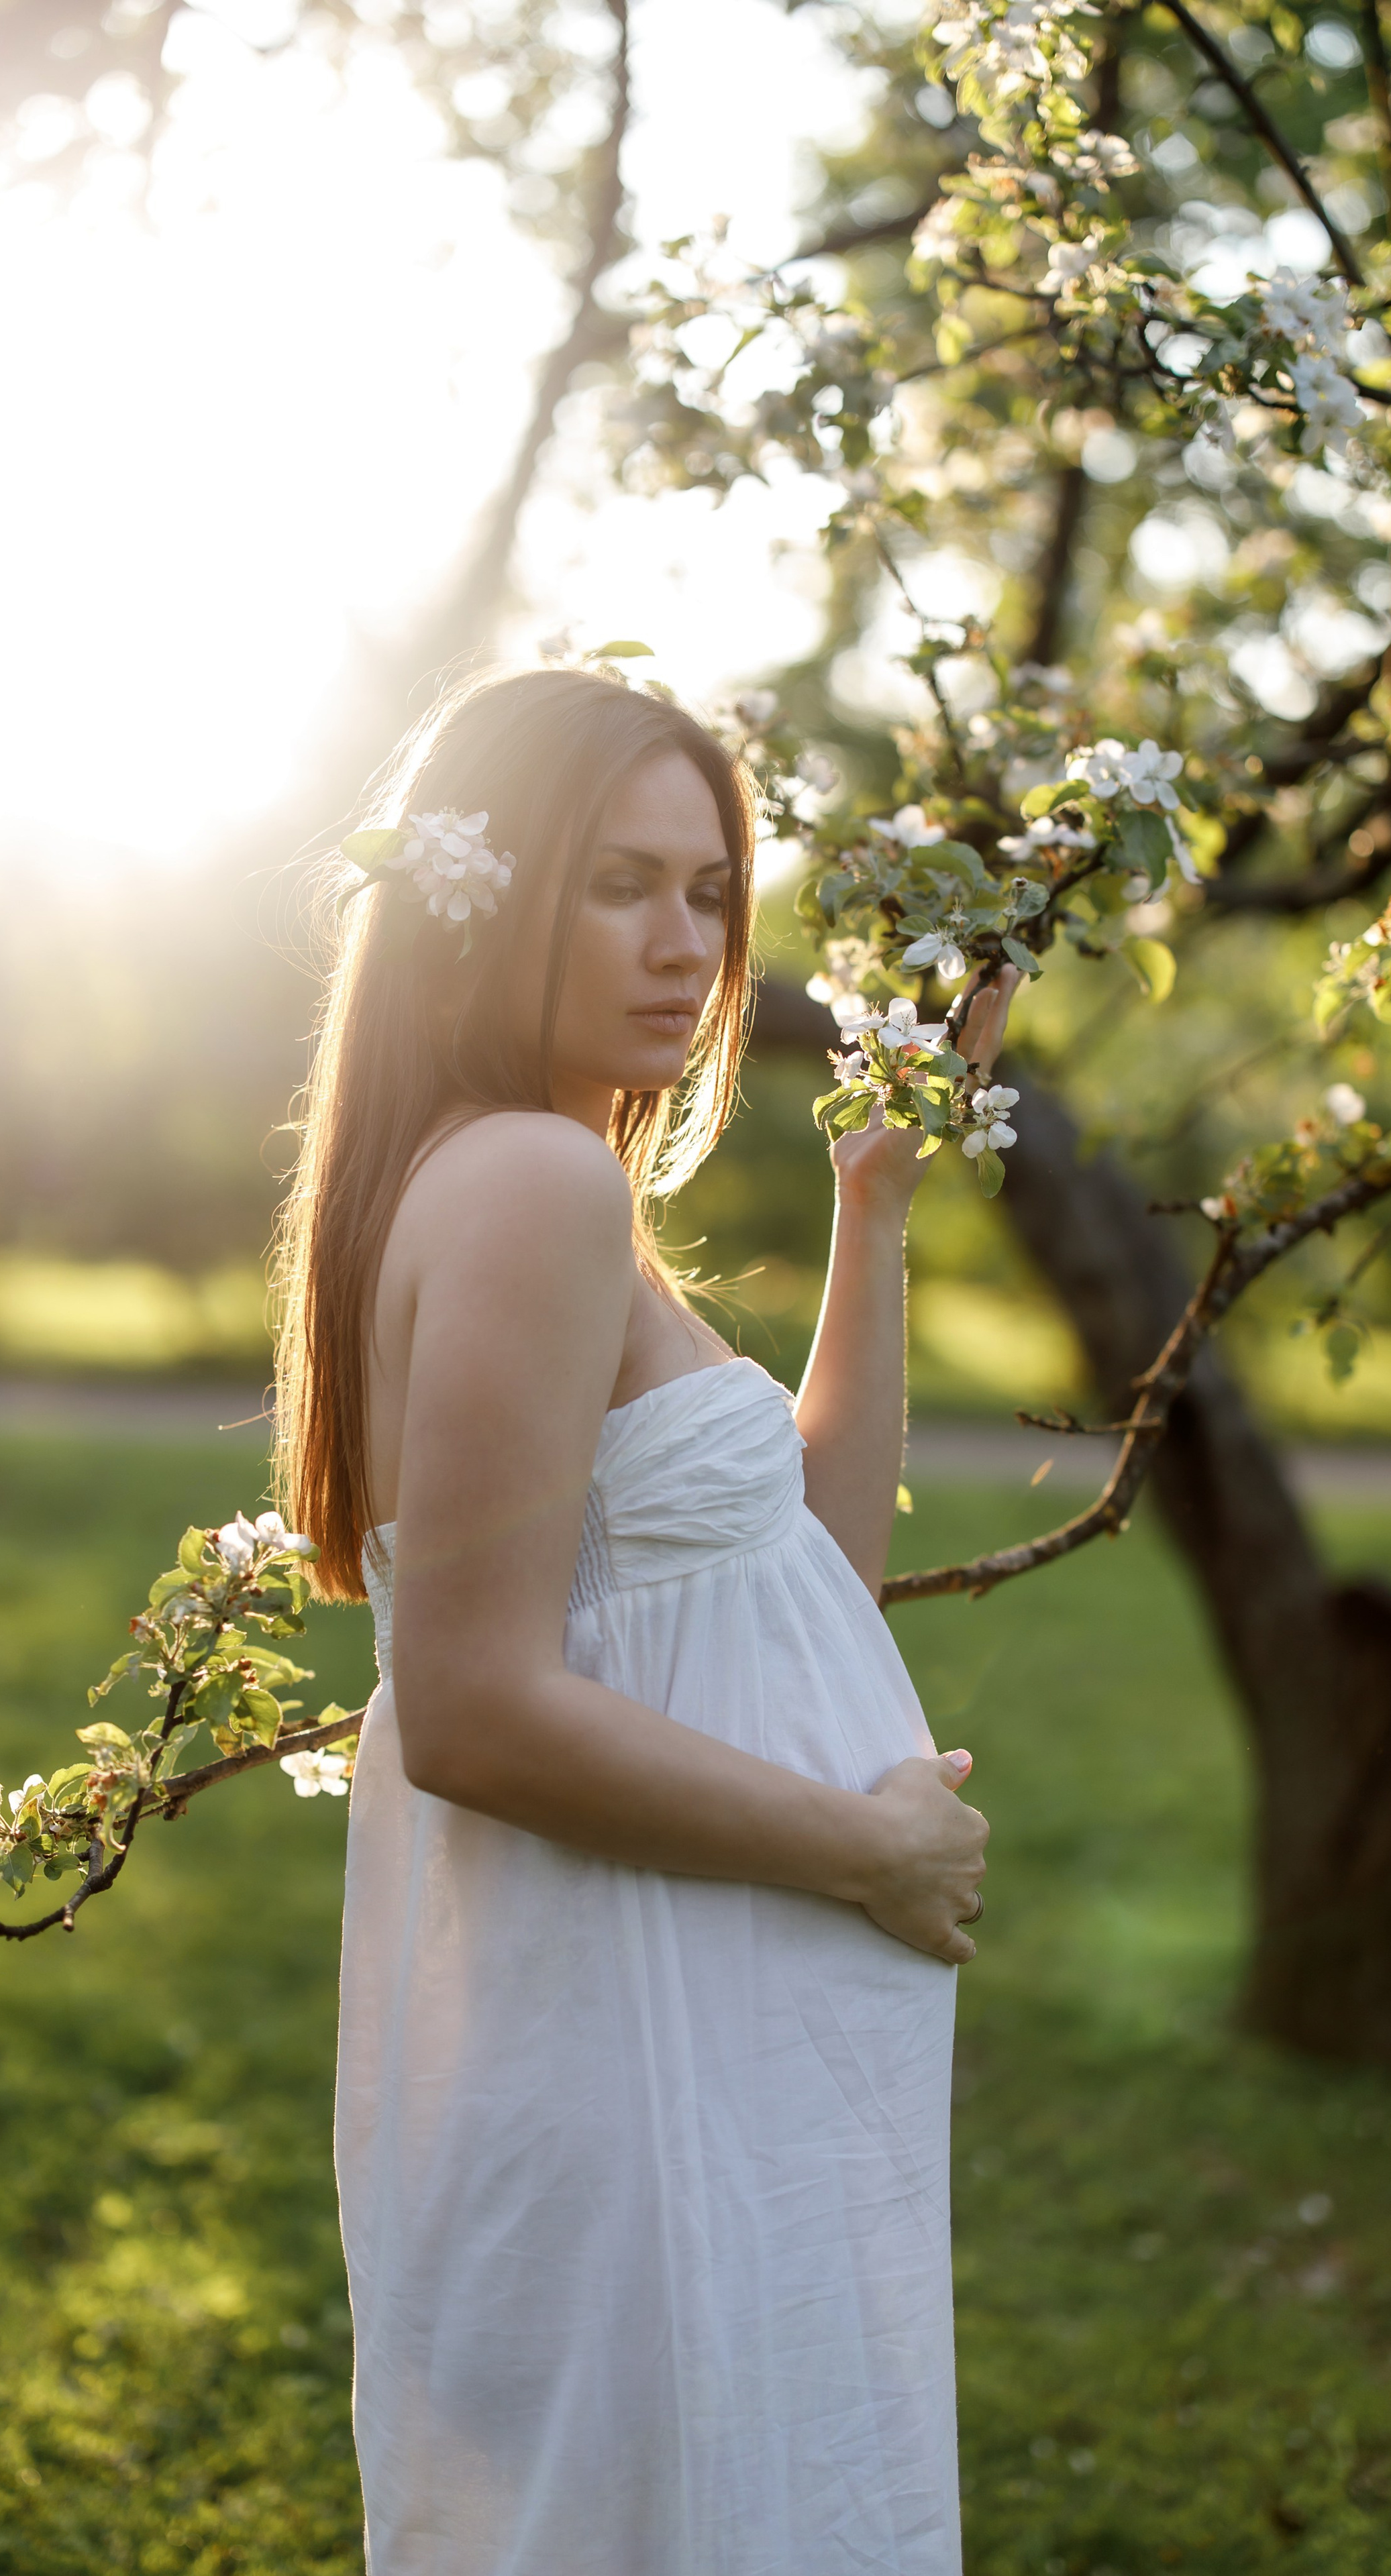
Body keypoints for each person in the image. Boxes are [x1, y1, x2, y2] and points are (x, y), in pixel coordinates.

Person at [275, 665, 1004, 2575]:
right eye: (622, 885)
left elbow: (799, 1573)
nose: (687, 947)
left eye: (711, 894)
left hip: (683, 1993)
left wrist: (878, 1199)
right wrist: (871, 1851)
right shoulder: (524, 1183)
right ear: (482, 897)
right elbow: (477, 1710)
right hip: (641, 2021)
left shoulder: (539, 1171)